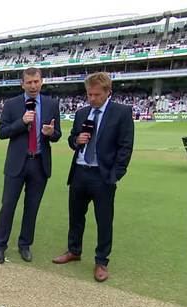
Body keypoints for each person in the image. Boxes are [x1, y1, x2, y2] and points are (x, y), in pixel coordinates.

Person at [52, 72, 134, 282]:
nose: (92, 98)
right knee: (76, 216)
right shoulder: (82, 113)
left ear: (108, 92)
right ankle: (74, 251)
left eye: (97, 95)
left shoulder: (121, 113)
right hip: (79, 172)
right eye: (89, 94)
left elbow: (126, 147)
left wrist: (115, 175)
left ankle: (101, 261)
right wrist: (77, 140)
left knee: (104, 220)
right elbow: (71, 140)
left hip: (102, 176)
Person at [0, 67, 61, 264]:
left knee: (32, 208)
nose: (33, 86)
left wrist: (51, 133)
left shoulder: (51, 104)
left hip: (39, 164)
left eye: (36, 81)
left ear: (42, 82)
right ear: (22, 84)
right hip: (17, 164)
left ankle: (25, 245)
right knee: (8, 206)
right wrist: (22, 122)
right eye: (29, 82)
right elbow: (2, 132)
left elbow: (57, 136)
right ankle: (0, 245)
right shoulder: (12, 104)